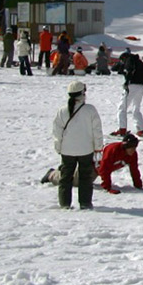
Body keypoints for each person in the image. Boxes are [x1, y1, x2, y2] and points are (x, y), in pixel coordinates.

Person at [52, 81, 104, 210]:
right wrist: (98, 147)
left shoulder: (62, 111)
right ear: (82, 94)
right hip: (86, 149)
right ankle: (85, 203)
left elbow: (57, 132)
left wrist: (58, 147)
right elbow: (97, 130)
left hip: (67, 150)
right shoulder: (90, 110)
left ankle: (64, 203)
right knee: (85, 177)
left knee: (65, 178)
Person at [113, 47, 143, 138]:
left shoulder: (129, 60)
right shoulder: (139, 62)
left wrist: (127, 82)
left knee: (122, 107)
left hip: (132, 85)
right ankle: (141, 130)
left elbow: (129, 70)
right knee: (136, 109)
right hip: (141, 86)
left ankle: (122, 129)